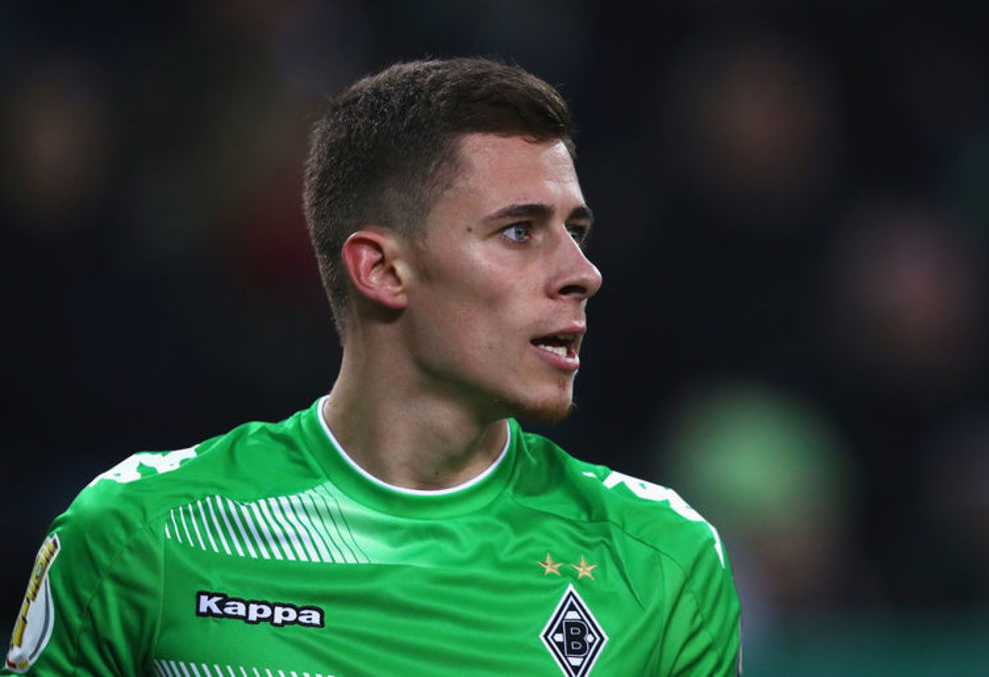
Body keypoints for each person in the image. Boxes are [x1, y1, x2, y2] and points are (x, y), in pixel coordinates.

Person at [4, 58, 741, 676]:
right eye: (521, 231)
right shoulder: (145, 534)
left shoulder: (659, 560)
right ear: (383, 270)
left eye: (576, 231)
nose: (583, 273)